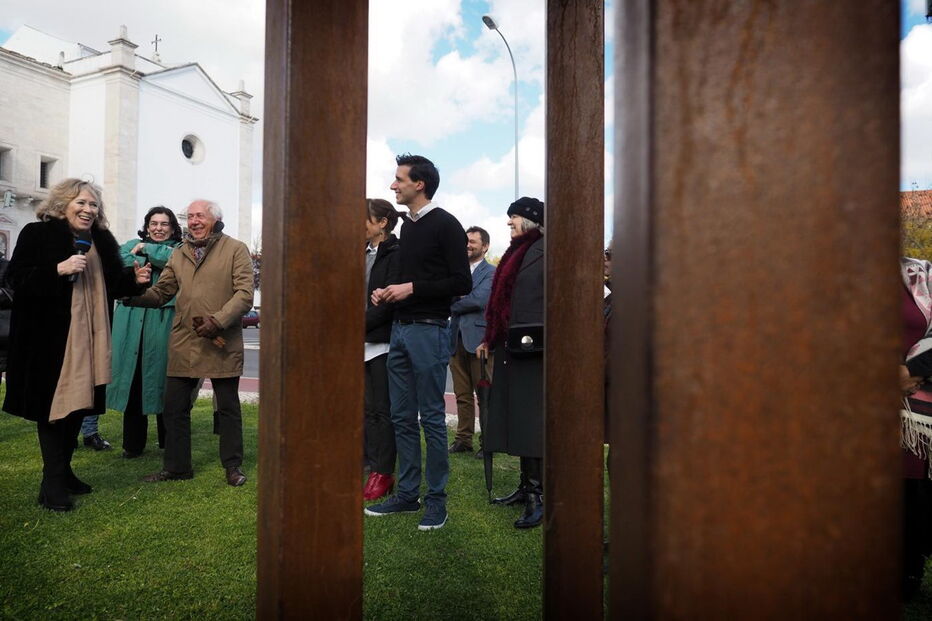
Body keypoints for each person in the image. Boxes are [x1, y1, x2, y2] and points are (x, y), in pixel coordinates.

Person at [2, 178, 151, 511]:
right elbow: (15, 279)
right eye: (81, 202)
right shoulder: (37, 233)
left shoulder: (100, 240)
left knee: (79, 404)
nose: (88, 210)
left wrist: (135, 280)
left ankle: (64, 473)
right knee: (54, 408)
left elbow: (113, 283)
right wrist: (58, 268)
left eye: (93, 204)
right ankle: (52, 483)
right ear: (62, 203)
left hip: (90, 338)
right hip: (50, 342)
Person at [365, 154, 471, 531]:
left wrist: (411, 288)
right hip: (400, 329)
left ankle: (436, 501)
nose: (393, 185)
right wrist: (387, 293)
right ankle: (408, 495)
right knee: (401, 417)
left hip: (430, 330)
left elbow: (462, 282)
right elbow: (411, 280)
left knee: (431, 418)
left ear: (419, 184)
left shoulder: (446, 224)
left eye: (399, 179)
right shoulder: (407, 228)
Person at [126, 200, 253, 487]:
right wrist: (131, 292)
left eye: (200, 216)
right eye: (190, 217)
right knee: (174, 408)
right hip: (185, 340)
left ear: (215, 219)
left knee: (228, 408)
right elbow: (161, 292)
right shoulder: (180, 252)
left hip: (221, 341)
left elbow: (245, 294)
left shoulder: (235, 249)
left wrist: (218, 321)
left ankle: (232, 466)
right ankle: (177, 468)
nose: (194, 221)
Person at [476, 197, 545, 529]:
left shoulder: (547, 251)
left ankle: (537, 494)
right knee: (518, 420)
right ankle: (525, 486)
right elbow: (502, 303)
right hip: (511, 349)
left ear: (530, 220)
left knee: (531, 422)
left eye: (514, 216)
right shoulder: (517, 252)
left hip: (536, 350)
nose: (508, 222)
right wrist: (489, 338)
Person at [107, 206, 182, 458]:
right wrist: (144, 256)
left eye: (164, 224)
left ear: (172, 228)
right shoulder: (131, 244)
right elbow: (118, 260)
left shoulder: (181, 249)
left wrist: (146, 249)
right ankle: (133, 444)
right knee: (134, 379)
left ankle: (169, 441)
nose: (158, 228)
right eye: (154, 223)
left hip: (163, 319)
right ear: (147, 226)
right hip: (132, 320)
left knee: (165, 379)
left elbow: (176, 262)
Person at [898, 257, 932, 599]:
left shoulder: (922, 275)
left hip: (914, 406)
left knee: (910, 489)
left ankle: (907, 572)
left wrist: (911, 372)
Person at [363, 198, 402, 501]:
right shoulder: (361, 252)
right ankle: (367, 463)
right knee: (364, 410)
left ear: (382, 223)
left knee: (382, 411)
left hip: (382, 342)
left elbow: (388, 304)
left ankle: (383, 472)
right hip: (360, 342)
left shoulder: (396, 254)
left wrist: (353, 326)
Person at [447, 226, 495, 457]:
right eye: (465, 241)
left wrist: (452, 302)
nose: (467, 245)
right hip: (455, 340)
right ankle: (463, 440)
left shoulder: (492, 272)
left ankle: (489, 443)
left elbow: (479, 300)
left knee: (485, 395)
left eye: (473, 242)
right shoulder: (455, 271)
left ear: (485, 246)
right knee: (462, 395)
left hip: (479, 341)